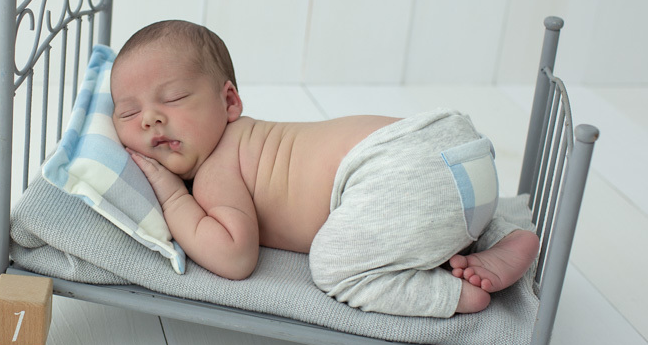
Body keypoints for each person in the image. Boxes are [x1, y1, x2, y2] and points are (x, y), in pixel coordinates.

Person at [110, 20, 538, 318]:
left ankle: (450, 293)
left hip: (398, 168)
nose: (150, 119)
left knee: (333, 266)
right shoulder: (257, 138)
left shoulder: (218, 166)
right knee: (417, 214)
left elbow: (235, 256)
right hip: (457, 151)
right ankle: (497, 234)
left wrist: (171, 196)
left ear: (229, 102)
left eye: (174, 99)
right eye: (128, 113)